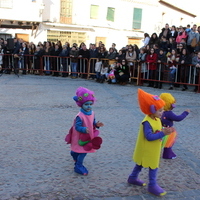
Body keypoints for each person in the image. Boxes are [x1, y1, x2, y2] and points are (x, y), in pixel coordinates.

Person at [127, 89, 173, 196]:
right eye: (160, 110)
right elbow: (149, 137)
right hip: (147, 149)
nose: (162, 113)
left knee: (140, 164)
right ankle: (152, 185)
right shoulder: (147, 122)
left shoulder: (156, 119)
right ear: (152, 110)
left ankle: (132, 177)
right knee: (152, 166)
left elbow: (157, 129)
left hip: (153, 148)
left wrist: (164, 130)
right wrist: (162, 133)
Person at [65, 87, 104, 175]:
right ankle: (78, 166)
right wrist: (83, 129)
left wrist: (96, 125)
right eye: (86, 104)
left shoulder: (92, 113)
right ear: (81, 104)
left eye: (90, 104)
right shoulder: (80, 116)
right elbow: (76, 126)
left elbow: (92, 122)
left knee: (80, 150)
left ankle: (74, 153)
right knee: (84, 151)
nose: (89, 106)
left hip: (88, 135)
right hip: (80, 137)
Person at [159, 93, 190, 159]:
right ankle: (167, 155)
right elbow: (178, 118)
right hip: (168, 130)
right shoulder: (168, 113)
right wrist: (185, 113)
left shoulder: (160, 111)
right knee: (169, 143)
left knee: (159, 143)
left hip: (160, 129)